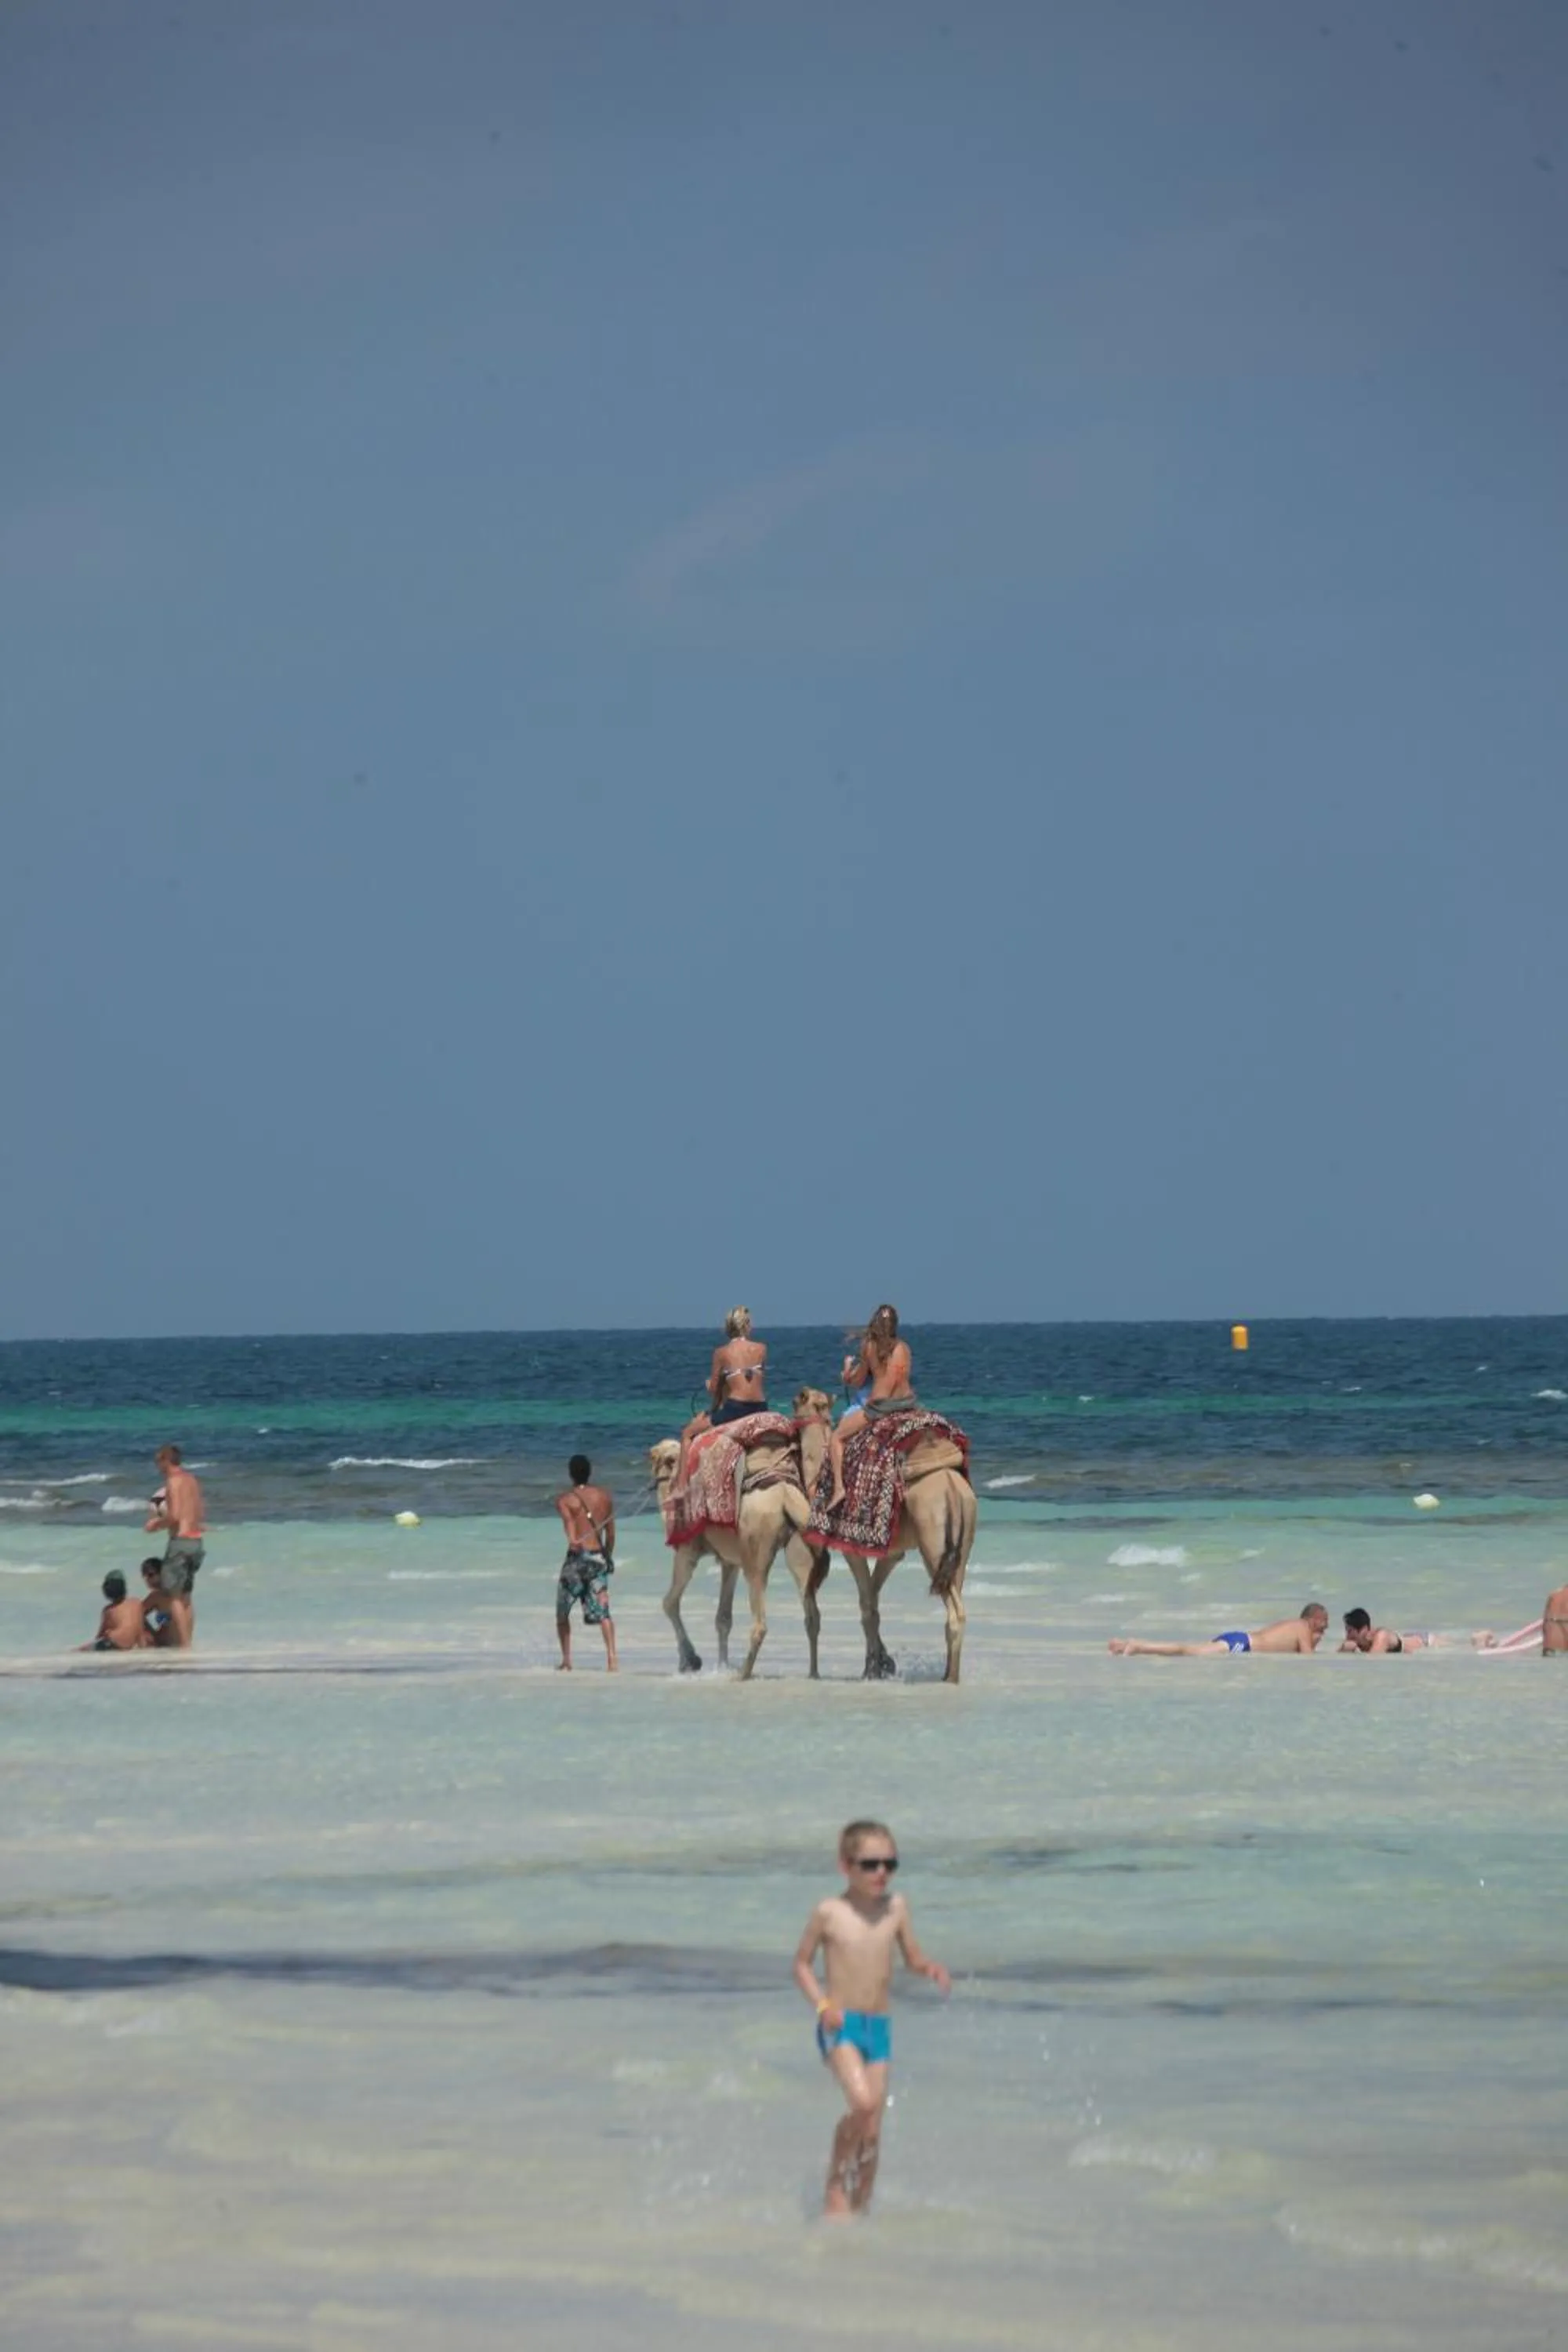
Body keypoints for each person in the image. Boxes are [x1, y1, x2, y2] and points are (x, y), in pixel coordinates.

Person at [793, 1818, 949, 2220]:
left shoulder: (896, 1908)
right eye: (870, 1864)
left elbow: (912, 1957)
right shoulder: (829, 1912)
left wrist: (928, 1968)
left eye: (889, 1864)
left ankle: (861, 2211)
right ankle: (835, 2185)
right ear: (845, 1866)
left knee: (874, 2129)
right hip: (840, 2024)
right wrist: (822, 2006)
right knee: (862, 2105)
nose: (881, 1872)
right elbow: (801, 1965)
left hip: (879, 2027)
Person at [826, 1304, 916, 1512]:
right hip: (907, 1403)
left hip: (880, 1407)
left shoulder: (869, 1346)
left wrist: (847, 1372)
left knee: (836, 1438)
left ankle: (839, 1489)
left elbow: (857, 1381)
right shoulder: (904, 1348)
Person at [554, 1454, 617, 1672]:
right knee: (604, 1612)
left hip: (577, 1558)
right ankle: (612, 1659)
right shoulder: (604, 1497)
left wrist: (573, 1540)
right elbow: (611, 1534)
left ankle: (567, 1660)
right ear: (590, 1473)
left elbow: (570, 1526)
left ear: (570, 1474)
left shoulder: (565, 1500)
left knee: (562, 1612)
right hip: (598, 1558)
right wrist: (608, 1555)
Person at [143, 1444, 205, 1648]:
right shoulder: (192, 1480)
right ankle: (187, 1641)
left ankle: (184, 1645)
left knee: (174, 1597)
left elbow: (175, 1516)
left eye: (158, 1462)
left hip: (180, 1541)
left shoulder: (173, 1481)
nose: (157, 1467)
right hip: (196, 1540)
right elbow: (199, 1512)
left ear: (166, 1460)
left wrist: (155, 1524)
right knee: (186, 1597)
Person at [1109, 1603, 1330, 1656]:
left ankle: (1125, 1645)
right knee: (1187, 1651)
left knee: (1190, 1650)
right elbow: (1308, 1658)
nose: (1326, 1628)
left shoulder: (1293, 1626)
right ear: (1314, 1619)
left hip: (1240, 1640)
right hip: (1242, 1645)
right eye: (1324, 1623)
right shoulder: (1302, 1626)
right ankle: (1137, 1645)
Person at [76, 1571, 149, 1652]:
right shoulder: (137, 1603)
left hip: (113, 1642)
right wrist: (143, 1648)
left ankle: (75, 1651)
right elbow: (140, 1632)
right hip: (127, 1645)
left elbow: (100, 1636)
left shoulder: (108, 1610)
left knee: (84, 1649)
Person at [1339, 1608, 1433, 1654]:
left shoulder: (1381, 1636)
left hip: (1425, 1641)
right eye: (1347, 1631)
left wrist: (1354, 1650)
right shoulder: (1359, 1641)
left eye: (1350, 1631)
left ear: (1364, 1629)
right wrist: (1343, 1649)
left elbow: (1372, 1661)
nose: (1347, 1636)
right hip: (1405, 1637)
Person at [139, 1559, 176, 1646]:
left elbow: (136, 1614)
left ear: (162, 1574)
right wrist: (153, 1633)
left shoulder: (159, 1596)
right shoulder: (155, 1596)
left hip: (174, 1646)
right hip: (166, 1645)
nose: (147, 1580)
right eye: (145, 1577)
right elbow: (137, 1614)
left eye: (151, 1575)